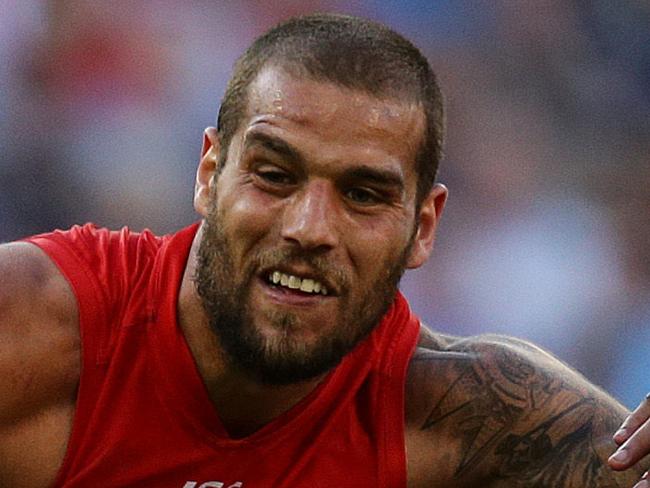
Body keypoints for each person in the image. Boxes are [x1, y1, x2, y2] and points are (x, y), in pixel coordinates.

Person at [0, 13, 648, 488]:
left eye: (363, 194)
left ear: (423, 227)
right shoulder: (31, 332)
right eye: (274, 175)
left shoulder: (476, 419)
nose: (310, 228)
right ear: (208, 175)